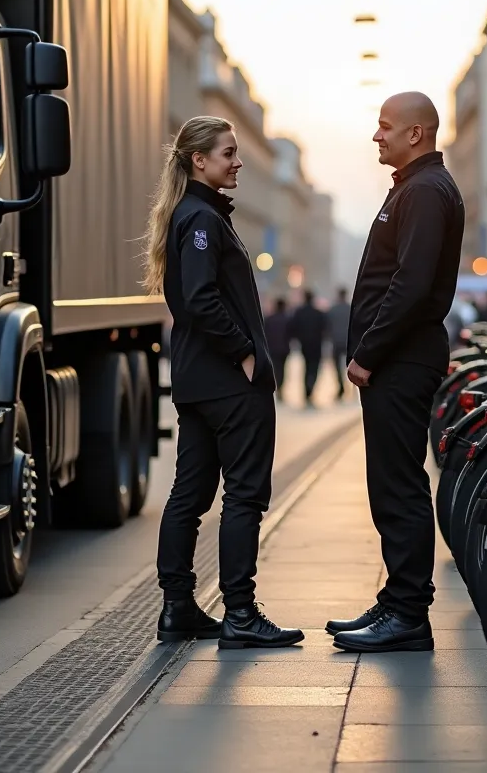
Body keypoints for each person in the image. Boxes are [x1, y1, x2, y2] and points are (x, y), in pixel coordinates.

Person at [143, 115, 304, 650]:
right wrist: (244, 351)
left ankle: (178, 608)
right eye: (229, 153)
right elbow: (200, 299)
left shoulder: (192, 213)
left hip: (198, 382)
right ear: (199, 160)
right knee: (244, 495)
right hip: (229, 384)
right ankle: (240, 612)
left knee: (189, 494)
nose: (237, 162)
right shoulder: (203, 219)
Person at [328, 92, 464, 654]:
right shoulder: (414, 189)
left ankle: (409, 614)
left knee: (400, 484)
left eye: (385, 127)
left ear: (416, 134)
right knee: (390, 481)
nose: (376, 136)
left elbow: (409, 286)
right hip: (399, 359)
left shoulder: (427, 192)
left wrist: (369, 352)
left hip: (402, 360)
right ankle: (398, 599)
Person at [289, 289, 326, 407]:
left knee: (306, 367)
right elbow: (324, 328)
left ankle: (306, 391)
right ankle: (311, 388)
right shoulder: (318, 313)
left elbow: (293, 327)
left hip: (305, 344)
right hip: (316, 344)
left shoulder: (299, 312)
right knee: (314, 368)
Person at [264, 298, 292, 399]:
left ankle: (277, 387)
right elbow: (290, 334)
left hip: (272, 348)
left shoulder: (269, 319)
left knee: (275, 368)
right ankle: (280, 387)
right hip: (284, 349)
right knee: (282, 369)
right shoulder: (287, 319)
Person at [327, 288, 351, 399]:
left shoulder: (333, 310)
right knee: (351, 366)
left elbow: (327, 326)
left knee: (337, 367)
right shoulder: (350, 309)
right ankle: (352, 388)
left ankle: (341, 386)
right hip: (349, 342)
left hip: (336, 342)